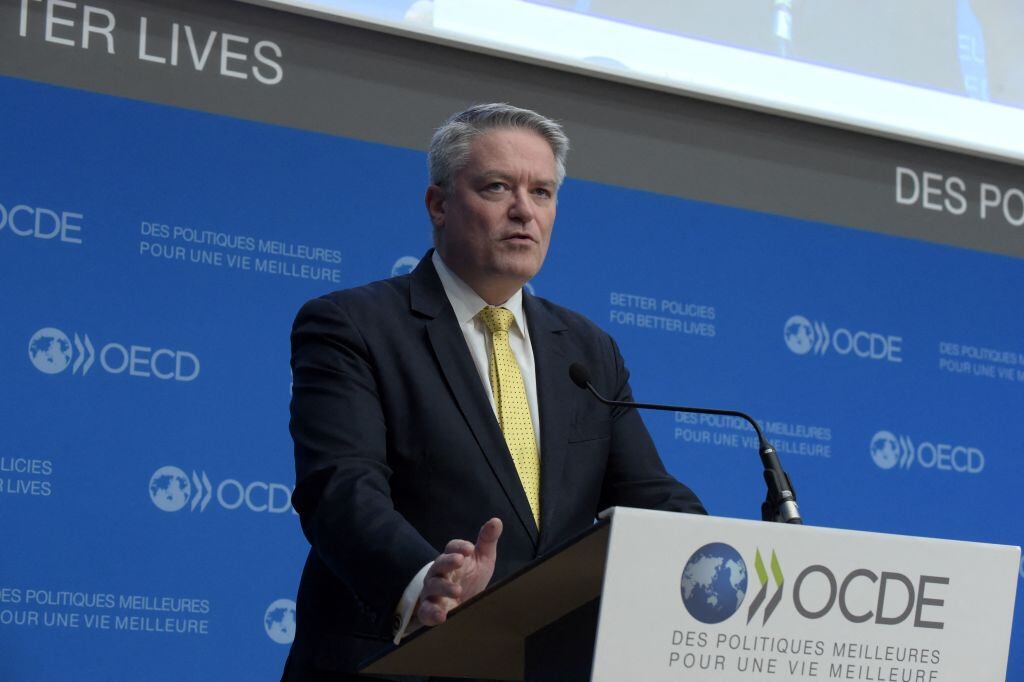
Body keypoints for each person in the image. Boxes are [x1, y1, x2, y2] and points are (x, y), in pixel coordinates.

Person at [282, 103, 705, 681]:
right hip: (397, 658)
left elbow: (649, 495)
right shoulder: (354, 325)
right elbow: (340, 490)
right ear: (439, 205)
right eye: (497, 187)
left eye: (542, 192)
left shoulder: (586, 348)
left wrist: (722, 554)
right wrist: (426, 581)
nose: (524, 211)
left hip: (546, 662)